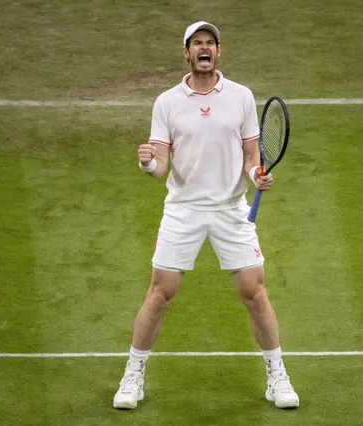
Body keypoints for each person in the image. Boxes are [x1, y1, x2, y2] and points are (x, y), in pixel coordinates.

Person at [113, 21, 299, 410]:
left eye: (210, 43)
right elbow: (161, 164)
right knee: (160, 294)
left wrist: (256, 176)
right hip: (183, 210)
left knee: (255, 292)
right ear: (186, 52)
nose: (204, 48)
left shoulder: (242, 97)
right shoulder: (166, 102)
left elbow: (252, 154)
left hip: (232, 210)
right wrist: (148, 165)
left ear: (219, 51)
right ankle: (133, 376)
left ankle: (276, 376)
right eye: (197, 43)